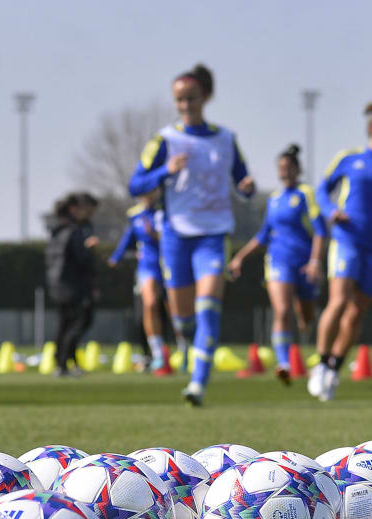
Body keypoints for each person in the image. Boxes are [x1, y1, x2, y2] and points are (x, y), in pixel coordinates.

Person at [129, 63, 255, 406]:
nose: (185, 105)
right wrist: (164, 171)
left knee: (208, 306)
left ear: (205, 97)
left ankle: (198, 383)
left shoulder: (226, 138)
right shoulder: (165, 141)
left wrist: (246, 187)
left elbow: (243, 182)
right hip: (175, 236)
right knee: (183, 318)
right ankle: (185, 342)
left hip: (213, 235)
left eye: (191, 98)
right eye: (179, 100)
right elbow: (134, 184)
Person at [310, 104, 372, 401]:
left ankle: (335, 365)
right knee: (338, 302)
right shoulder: (349, 158)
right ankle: (321, 363)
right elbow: (322, 190)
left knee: (357, 310)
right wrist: (330, 211)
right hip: (346, 239)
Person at [228, 144, 325, 385]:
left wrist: (315, 261)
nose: (284, 172)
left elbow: (321, 230)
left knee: (305, 317)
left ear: (297, 169)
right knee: (282, 310)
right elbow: (263, 235)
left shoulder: (305, 194)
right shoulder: (274, 199)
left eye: (288, 168)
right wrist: (240, 256)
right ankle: (284, 363)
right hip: (278, 260)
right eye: (281, 168)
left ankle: (303, 353)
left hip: (303, 262)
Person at [108, 190, 171, 375]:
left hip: (168, 264)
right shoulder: (136, 216)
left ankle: (183, 349)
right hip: (148, 266)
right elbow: (129, 237)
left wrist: (156, 236)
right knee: (149, 304)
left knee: (174, 311)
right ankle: (157, 352)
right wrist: (116, 257)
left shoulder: (166, 212)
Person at [45, 192, 99, 377]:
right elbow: (82, 259)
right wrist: (89, 248)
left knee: (63, 324)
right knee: (77, 323)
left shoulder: (56, 230)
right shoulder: (74, 231)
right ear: (73, 209)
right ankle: (64, 362)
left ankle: (61, 363)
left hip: (56, 284)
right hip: (72, 285)